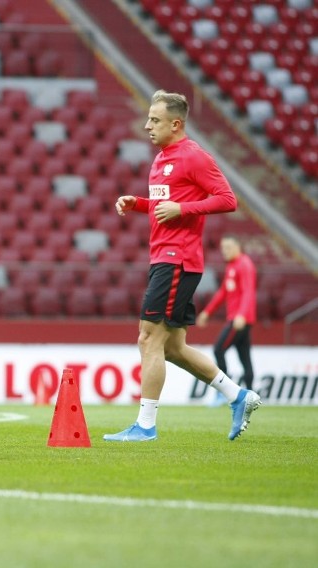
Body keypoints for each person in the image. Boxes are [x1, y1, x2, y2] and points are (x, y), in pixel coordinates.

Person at [103, 90, 261, 442]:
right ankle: (238, 396)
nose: (147, 126)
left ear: (176, 124)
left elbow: (227, 199)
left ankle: (145, 425)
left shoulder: (193, 156)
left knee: (148, 337)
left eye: (155, 120)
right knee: (172, 347)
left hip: (177, 259)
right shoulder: (161, 159)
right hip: (164, 257)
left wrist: (183, 210)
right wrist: (139, 203)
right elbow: (166, 204)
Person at [197, 235, 257, 405]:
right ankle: (251, 396)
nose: (225, 251)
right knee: (244, 356)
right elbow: (223, 292)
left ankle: (224, 392)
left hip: (239, 319)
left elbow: (248, 292)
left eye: (228, 247)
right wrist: (207, 312)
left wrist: (242, 315)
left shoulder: (244, 265)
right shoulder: (232, 266)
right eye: (223, 248)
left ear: (238, 247)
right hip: (241, 319)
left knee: (218, 349)